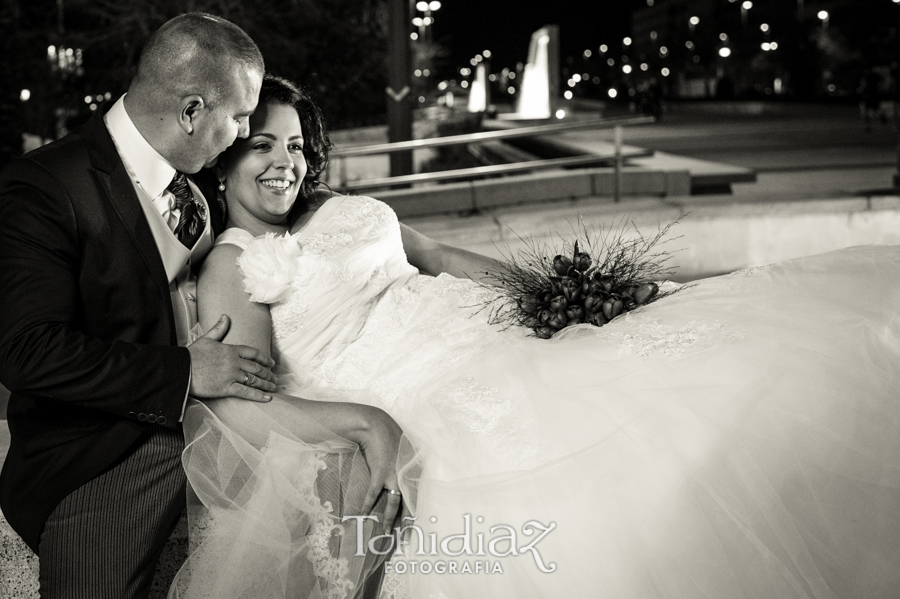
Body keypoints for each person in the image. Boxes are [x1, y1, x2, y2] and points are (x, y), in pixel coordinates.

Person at [176, 74, 900, 599]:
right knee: (596, 465)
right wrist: (365, 422)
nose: (286, 164)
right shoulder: (234, 265)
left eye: (297, 145)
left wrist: (547, 291)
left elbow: (438, 258)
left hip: (489, 328)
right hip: (422, 387)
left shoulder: (333, 207)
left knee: (700, 363)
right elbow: (244, 398)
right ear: (225, 154)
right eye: (262, 145)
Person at [0, 13, 281, 598]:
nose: (242, 133)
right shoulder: (45, 185)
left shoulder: (196, 179)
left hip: (213, 423)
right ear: (191, 112)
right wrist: (184, 371)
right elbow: (25, 350)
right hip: (105, 451)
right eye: (239, 117)